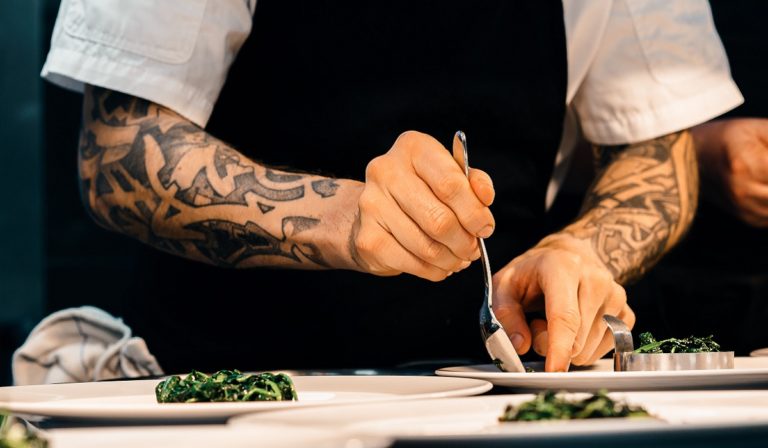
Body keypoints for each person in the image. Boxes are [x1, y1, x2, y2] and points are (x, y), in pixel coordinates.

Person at [40, 0, 742, 373]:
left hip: (494, 391)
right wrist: (342, 217)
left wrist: (586, 252)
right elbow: (118, 151)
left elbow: (655, 142)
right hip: (226, 385)